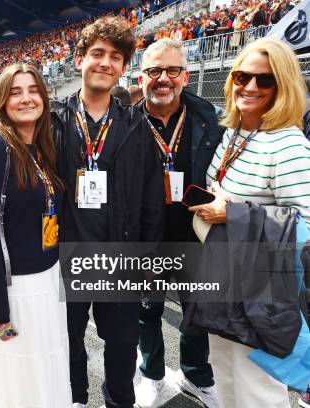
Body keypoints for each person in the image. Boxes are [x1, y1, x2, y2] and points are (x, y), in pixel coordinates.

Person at [0, 16, 165, 408]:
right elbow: (16, 153)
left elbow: (151, 200)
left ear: (124, 67)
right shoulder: (53, 121)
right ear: (79, 59)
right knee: (68, 340)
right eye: (97, 53)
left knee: (123, 344)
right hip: (65, 258)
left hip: (120, 259)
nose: (105, 63)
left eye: (115, 57)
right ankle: (75, 399)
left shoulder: (137, 126)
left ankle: (119, 401)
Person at [190, 37, 310, 408]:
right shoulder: (235, 132)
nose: (251, 86)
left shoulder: (288, 144)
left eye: (265, 80)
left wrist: (234, 214)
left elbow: (306, 225)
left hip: (260, 288)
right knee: (225, 374)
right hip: (225, 274)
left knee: (256, 388)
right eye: (242, 76)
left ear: (284, 86)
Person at [0, 62, 71, 408]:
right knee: (20, 378)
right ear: (2, 101)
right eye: (16, 92)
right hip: (15, 291)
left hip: (47, 281)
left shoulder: (42, 147)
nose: (26, 99)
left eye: (33, 90)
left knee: (47, 364)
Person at [134, 38, 222, 408]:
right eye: (154, 71)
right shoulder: (124, 123)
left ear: (186, 75)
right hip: (146, 240)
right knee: (147, 312)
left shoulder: (210, 119)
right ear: (142, 79)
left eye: (172, 70)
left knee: (197, 314)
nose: (163, 79)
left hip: (195, 236)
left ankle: (196, 377)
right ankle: (151, 376)